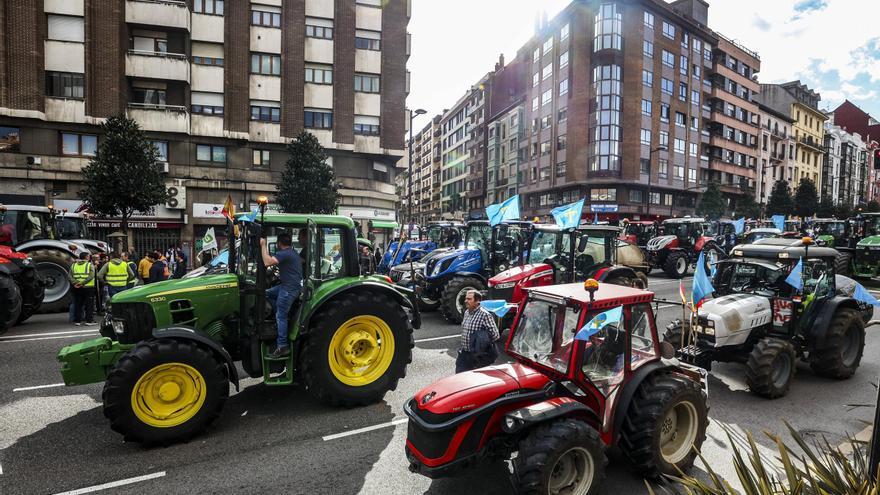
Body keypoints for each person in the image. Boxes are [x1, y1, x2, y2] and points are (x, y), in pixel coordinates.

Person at [261, 232, 303, 358]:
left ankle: (282, 346)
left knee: (281, 315)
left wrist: (263, 245)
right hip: (288, 286)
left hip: (289, 289)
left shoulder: (284, 253)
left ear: (279, 243)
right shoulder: (292, 252)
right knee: (265, 294)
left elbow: (267, 262)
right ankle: (279, 316)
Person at [455, 290, 501, 373]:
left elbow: (495, 335)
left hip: (476, 356)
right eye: (466, 299)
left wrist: (481, 342)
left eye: (469, 299)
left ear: (478, 301)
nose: (466, 301)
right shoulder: (466, 312)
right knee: (459, 377)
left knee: (474, 381)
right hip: (464, 354)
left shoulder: (485, 315)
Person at [67, 252, 96, 326]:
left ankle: (78, 321)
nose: (89, 257)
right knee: (89, 304)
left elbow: (69, 276)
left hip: (77, 288)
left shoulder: (74, 265)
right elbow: (91, 276)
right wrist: (82, 283)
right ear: (86, 257)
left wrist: (75, 283)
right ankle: (89, 321)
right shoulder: (89, 265)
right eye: (88, 256)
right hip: (88, 287)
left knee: (78, 304)